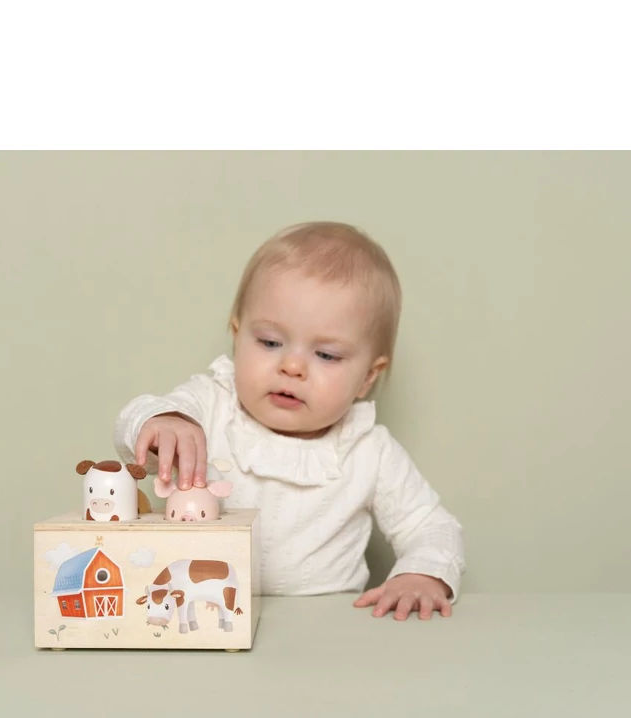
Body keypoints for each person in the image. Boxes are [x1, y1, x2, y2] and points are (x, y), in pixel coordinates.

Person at [113, 222, 465, 621]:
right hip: (205, 614)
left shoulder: (368, 449)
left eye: (326, 355)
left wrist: (421, 575)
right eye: (270, 342)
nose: (292, 366)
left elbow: (431, 527)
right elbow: (133, 427)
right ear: (237, 335)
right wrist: (165, 422)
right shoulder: (210, 405)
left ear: (368, 376)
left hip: (327, 627)